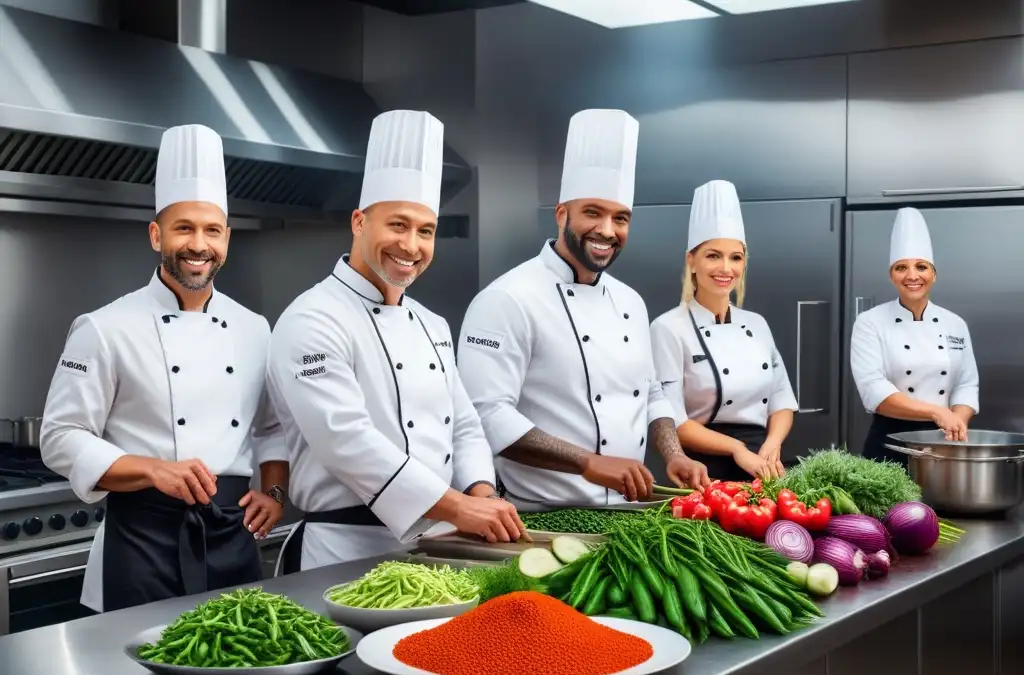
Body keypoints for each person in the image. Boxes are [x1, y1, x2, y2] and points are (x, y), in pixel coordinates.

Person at [39, 124, 289, 613]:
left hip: (230, 533)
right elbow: (60, 435)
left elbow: (273, 426)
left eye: (211, 230)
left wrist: (275, 491)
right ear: (157, 235)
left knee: (235, 668)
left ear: (227, 239)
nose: (199, 244)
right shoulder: (104, 327)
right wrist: (153, 470)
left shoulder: (255, 327)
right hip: (142, 540)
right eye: (184, 228)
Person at [267, 110, 526, 573]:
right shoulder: (311, 319)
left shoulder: (431, 323)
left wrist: (481, 493)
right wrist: (458, 508)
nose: (411, 245)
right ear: (359, 222)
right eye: (398, 225)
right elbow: (346, 440)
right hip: (344, 550)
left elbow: (464, 425)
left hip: (441, 544)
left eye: (425, 231)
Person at [458, 109, 709, 512]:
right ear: (562, 214)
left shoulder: (630, 301)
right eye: (593, 212)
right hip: (540, 517)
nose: (607, 231)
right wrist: (587, 463)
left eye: (620, 218)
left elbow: (650, 391)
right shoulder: (506, 299)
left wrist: (673, 453)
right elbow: (484, 415)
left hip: (628, 513)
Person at [650, 180, 798, 482]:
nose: (725, 268)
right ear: (691, 261)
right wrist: (736, 449)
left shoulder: (756, 323)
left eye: (735, 257)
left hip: (763, 462)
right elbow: (675, 419)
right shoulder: (667, 327)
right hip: (702, 467)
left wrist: (772, 443)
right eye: (713, 255)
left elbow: (782, 397)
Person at [850, 207, 979, 465]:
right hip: (890, 442)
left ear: (933, 273)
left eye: (921, 267)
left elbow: (967, 385)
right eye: (901, 267)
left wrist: (957, 422)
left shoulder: (955, 324)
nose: (912, 276)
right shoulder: (869, 322)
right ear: (891, 275)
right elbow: (874, 390)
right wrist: (938, 412)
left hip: (944, 443)